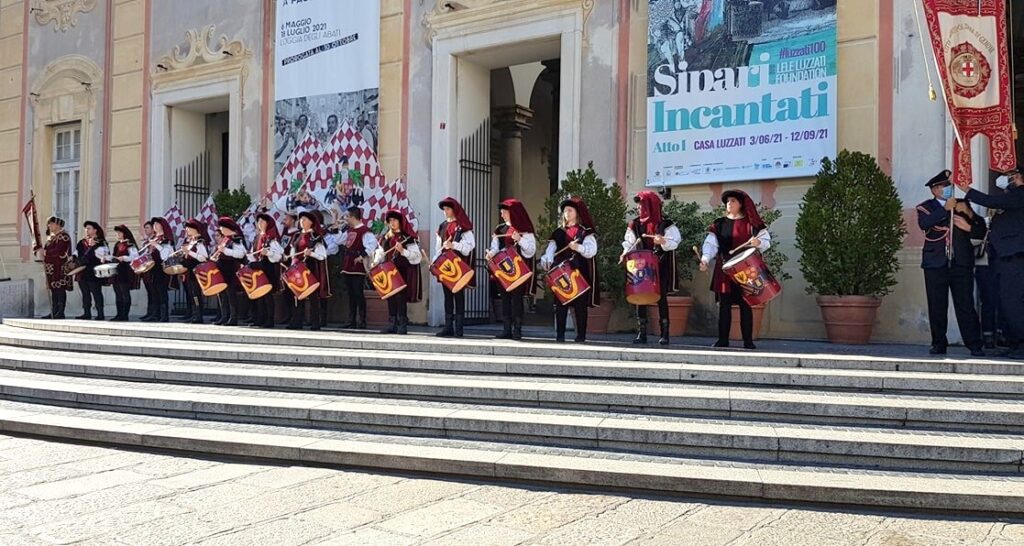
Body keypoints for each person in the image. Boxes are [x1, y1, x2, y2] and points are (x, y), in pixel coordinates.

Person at [916, 170, 987, 356]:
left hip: (961, 262)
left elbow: (980, 230)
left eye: (950, 185)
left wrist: (969, 216)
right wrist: (944, 209)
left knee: (965, 305)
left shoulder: (963, 205)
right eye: (944, 186)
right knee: (937, 306)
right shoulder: (926, 207)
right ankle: (939, 343)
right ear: (935, 190)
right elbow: (925, 224)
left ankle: (974, 344)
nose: (948, 189)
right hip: (935, 263)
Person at [965, 167, 1024, 359]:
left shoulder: (1020, 195)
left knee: (1012, 302)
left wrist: (967, 190)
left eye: (1013, 176)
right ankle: (1014, 343)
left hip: (1014, 258)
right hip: (1003, 258)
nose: (1009, 179)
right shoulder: (1012, 197)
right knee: (1004, 302)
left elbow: (992, 201)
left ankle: (1021, 344)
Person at [700, 189, 771, 349]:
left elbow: (766, 241)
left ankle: (748, 341)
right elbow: (710, 245)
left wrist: (758, 243)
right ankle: (722, 340)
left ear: (741, 204)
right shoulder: (719, 224)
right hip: (725, 269)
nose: (729, 204)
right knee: (724, 305)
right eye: (727, 201)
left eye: (733, 201)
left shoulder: (752, 223)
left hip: (746, 270)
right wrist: (705, 259)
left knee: (746, 304)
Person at [622, 191, 681, 345]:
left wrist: (662, 242)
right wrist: (625, 252)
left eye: (642, 204)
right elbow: (629, 243)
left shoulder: (665, 224)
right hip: (641, 265)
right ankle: (642, 334)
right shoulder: (634, 224)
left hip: (659, 265)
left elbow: (674, 242)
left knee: (661, 298)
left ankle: (665, 333)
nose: (639, 207)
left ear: (651, 206)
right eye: (638, 204)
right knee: (640, 297)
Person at [540, 197, 599, 343]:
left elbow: (592, 251)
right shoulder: (559, 232)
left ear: (577, 212)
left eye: (570, 210)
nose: (566, 213)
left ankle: (581, 336)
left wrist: (577, 247)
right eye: (565, 211)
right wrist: (546, 260)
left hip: (579, 271)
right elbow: (551, 250)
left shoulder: (585, 232)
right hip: (561, 273)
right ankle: (560, 335)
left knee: (580, 305)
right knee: (561, 303)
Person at [486, 199, 537, 340]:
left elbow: (531, 250)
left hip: (518, 271)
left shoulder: (524, 229)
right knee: (505, 299)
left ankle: (517, 329)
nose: (502, 215)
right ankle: (506, 329)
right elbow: (495, 247)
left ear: (512, 212)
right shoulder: (499, 229)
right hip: (503, 270)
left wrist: (519, 239)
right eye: (501, 212)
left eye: (504, 212)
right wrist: (491, 253)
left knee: (517, 299)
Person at [371, 210, 423, 335]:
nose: (392, 223)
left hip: (402, 271)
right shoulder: (386, 238)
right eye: (390, 221)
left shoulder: (408, 238)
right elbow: (381, 252)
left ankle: (402, 324)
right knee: (390, 297)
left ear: (400, 221)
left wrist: (403, 251)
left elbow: (417, 256)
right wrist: (376, 262)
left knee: (400, 298)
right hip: (388, 270)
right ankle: (392, 324)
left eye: (395, 220)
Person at [433, 197, 476, 338]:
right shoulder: (442, 226)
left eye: (448, 209)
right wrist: (435, 261)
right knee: (447, 296)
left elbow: (470, 246)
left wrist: (454, 245)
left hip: (458, 265)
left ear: (454, 210)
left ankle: (459, 328)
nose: (445, 212)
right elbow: (438, 247)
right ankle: (448, 327)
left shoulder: (462, 226)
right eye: (444, 210)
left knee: (458, 295)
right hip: (445, 266)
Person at [286, 210, 329, 331]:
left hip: (310, 269)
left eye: (304, 219)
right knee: (298, 296)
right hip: (298, 270)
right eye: (301, 219)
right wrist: (292, 258)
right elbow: (293, 250)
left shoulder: (315, 237)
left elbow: (323, 255)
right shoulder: (296, 236)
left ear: (311, 222)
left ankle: (315, 323)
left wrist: (312, 253)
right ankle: (297, 321)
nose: (301, 221)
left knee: (313, 297)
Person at [340, 206, 378, 329]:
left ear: (353, 217)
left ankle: (362, 320)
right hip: (348, 264)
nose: (346, 219)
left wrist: (362, 256)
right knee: (350, 293)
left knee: (358, 293)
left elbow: (372, 245)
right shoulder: (350, 230)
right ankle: (351, 319)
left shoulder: (364, 231)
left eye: (347, 216)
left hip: (357, 265)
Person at [250, 213, 283, 329]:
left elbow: (279, 256)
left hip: (268, 270)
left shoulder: (272, 239)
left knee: (268, 297)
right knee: (259, 296)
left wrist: (268, 253)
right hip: (258, 270)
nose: (260, 224)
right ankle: (260, 319)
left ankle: (270, 320)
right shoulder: (257, 238)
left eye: (263, 222)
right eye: (258, 222)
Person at [212, 217, 247, 326]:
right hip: (222, 270)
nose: (220, 229)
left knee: (231, 294)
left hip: (231, 270)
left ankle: (233, 317)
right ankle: (224, 316)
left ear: (228, 228)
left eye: (222, 227)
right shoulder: (225, 239)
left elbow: (241, 254)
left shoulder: (236, 238)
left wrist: (225, 251)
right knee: (223, 294)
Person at [37, 216, 73, 319]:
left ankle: (61, 312)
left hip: (60, 267)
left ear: (58, 225)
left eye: (51, 223)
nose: (49, 226)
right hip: (51, 268)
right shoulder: (51, 238)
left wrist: (45, 253)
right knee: (53, 289)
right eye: (49, 224)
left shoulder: (63, 236)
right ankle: (54, 311)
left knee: (60, 288)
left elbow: (59, 251)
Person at [75, 221, 109, 320]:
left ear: (95, 230)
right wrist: (73, 256)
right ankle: (86, 313)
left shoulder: (101, 242)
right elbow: (76, 252)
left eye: (89, 228)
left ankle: (100, 313)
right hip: (82, 271)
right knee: (85, 293)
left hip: (94, 271)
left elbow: (103, 254)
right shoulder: (82, 242)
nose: (86, 230)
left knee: (96, 292)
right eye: (86, 228)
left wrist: (93, 246)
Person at [143, 217, 175, 323]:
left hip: (162, 269)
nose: (155, 226)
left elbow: (166, 255)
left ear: (162, 226)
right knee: (154, 292)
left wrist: (156, 245)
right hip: (153, 268)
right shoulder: (155, 239)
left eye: (157, 224)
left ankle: (164, 315)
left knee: (162, 292)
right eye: (154, 224)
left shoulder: (167, 239)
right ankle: (155, 314)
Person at [106, 225, 140, 322]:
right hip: (116, 271)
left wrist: (124, 258)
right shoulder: (117, 244)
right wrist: (108, 258)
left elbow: (135, 257)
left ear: (124, 233)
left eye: (119, 232)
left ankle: (125, 315)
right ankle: (119, 314)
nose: (118, 234)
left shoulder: (130, 244)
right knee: (118, 293)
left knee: (124, 292)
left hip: (125, 271)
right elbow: (114, 256)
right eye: (117, 233)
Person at [181, 219, 210, 324]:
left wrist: (189, 252)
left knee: (196, 294)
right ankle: (194, 313)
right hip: (189, 272)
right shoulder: (191, 241)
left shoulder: (199, 242)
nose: (187, 229)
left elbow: (204, 257)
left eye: (189, 227)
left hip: (196, 272)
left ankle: (198, 315)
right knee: (191, 293)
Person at [278, 210, 300, 325]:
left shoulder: (296, 233)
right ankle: (287, 315)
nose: (284, 221)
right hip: (283, 265)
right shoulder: (285, 232)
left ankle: (295, 316)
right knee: (285, 292)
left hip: (291, 265)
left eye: (286, 219)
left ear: (292, 220)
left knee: (293, 292)